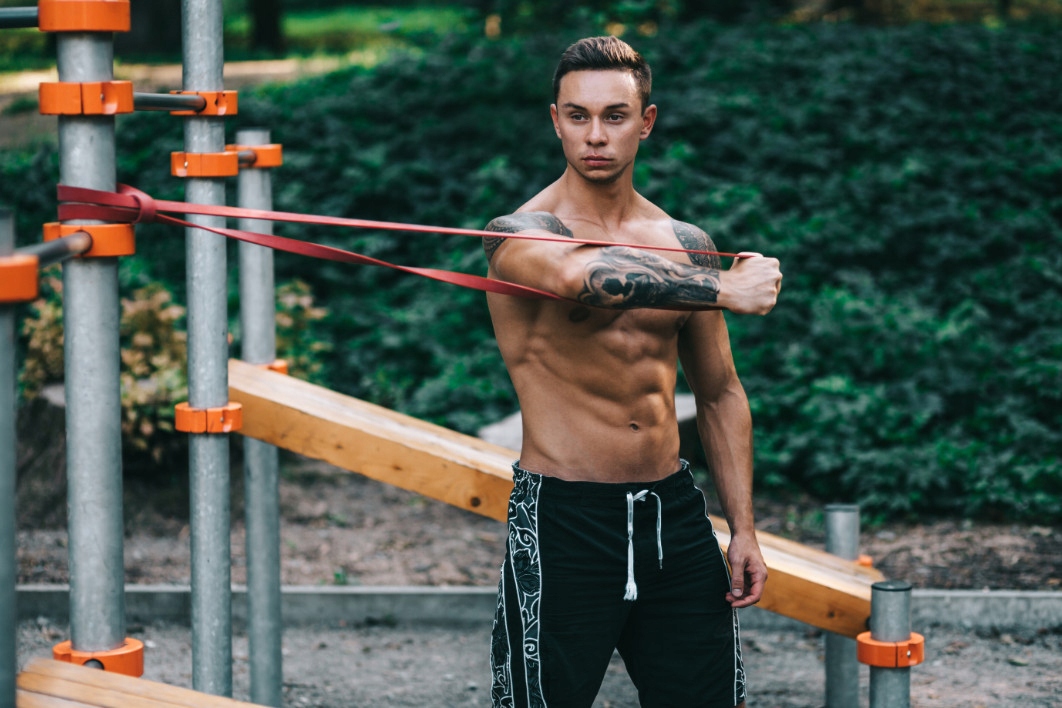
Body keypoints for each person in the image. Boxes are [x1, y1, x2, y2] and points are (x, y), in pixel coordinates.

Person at [482, 35, 781, 708]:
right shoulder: (520, 235)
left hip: (672, 513)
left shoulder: (686, 245)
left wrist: (744, 528)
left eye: (614, 116)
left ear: (645, 122)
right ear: (555, 120)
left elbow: (720, 392)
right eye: (578, 115)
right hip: (563, 518)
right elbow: (578, 277)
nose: (595, 135)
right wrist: (724, 288)